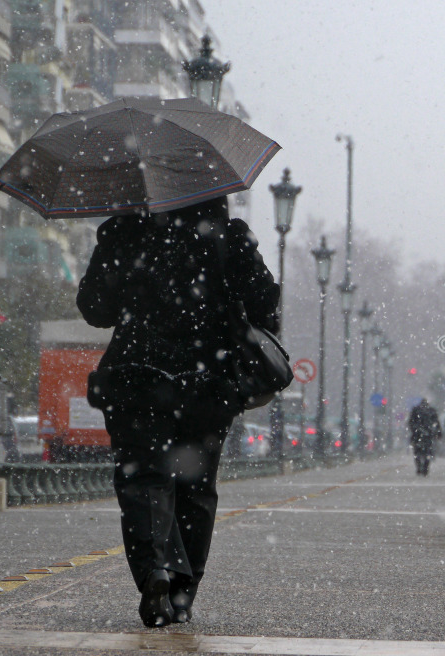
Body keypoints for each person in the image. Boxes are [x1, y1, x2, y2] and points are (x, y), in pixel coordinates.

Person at [77, 196, 279, 627]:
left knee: (143, 477)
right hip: (206, 379)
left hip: (136, 376)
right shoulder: (227, 234)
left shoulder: (123, 231)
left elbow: (94, 309)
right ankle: (184, 589)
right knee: (196, 484)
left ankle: (155, 569)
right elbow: (266, 302)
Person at [407, 398, 441, 476]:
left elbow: (411, 423)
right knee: (427, 452)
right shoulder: (431, 411)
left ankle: (419, 467)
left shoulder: (416, 410)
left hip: (417, 435)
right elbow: (436, 423)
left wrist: (415, 430)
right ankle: (425, 467)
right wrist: (437, 433)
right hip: (428, 436)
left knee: (417, 453)